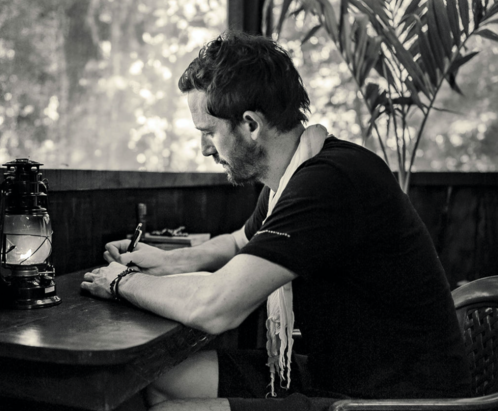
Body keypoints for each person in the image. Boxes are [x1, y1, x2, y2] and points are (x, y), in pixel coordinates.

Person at [81, 31, 471, 411]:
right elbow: (238, 242)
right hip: (335, 374)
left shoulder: (330, 180)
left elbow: (217, 306)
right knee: (161, 377)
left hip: (395, 399)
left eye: (209, 132)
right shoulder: (290, 178)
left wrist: (120, 281)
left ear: (251, 125)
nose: (204, 149)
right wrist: (167, 261)